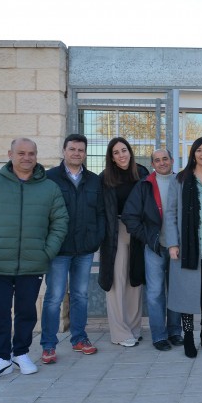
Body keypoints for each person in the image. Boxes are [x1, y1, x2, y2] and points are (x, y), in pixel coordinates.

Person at [0, 138, 68, 384]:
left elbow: (60, 222)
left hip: (32, 265)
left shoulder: (49, 188)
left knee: (26, 312)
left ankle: (20, 353)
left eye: (31, 153)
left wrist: (46, 252)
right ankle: (1, 359)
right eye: (21, 153)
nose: (27, 157)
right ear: (10, 154)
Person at [41, 134, 105, 365]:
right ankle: (48, 345)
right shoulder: (49, 178)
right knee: (54, 297)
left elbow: (100, 213)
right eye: (72, 149)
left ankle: (79, 338)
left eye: (81, 150)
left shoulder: (94, 180)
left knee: (80, 295)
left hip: (85, 249)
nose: (76, 153)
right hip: (59, 250)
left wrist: (96, 239)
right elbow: (43, 213)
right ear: (64, 151)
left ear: (85, 153)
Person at [165, 137, 202, 359]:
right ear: (193, 154)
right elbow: (170, 212)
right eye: (199, 150)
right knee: (187, 294)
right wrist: (172, 243)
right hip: (186, 247)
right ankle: (188, 336)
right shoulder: (180, 179)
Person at [122, 149, 183, 352]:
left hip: (177, 247)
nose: (162, 162)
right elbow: (130, 216)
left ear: (172, 160)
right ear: (152, 164)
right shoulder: (144, 185)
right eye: (157, 160)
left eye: (165, 158)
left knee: (175, 292)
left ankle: (175, 332)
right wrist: (148, 237)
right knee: (155, 293)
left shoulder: (182, 182)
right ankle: (159, 335)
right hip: (154, 248)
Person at [98, 137, 149, 347]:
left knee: (134, 281)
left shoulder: (142, 173)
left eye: (124, 150)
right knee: (116, 282)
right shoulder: (105, 178)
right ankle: (120, 333)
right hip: (115, 232)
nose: (121, 155)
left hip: (137, 232)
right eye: (116, 152)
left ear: (130, 151)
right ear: (111, 156)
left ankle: (134, 328)